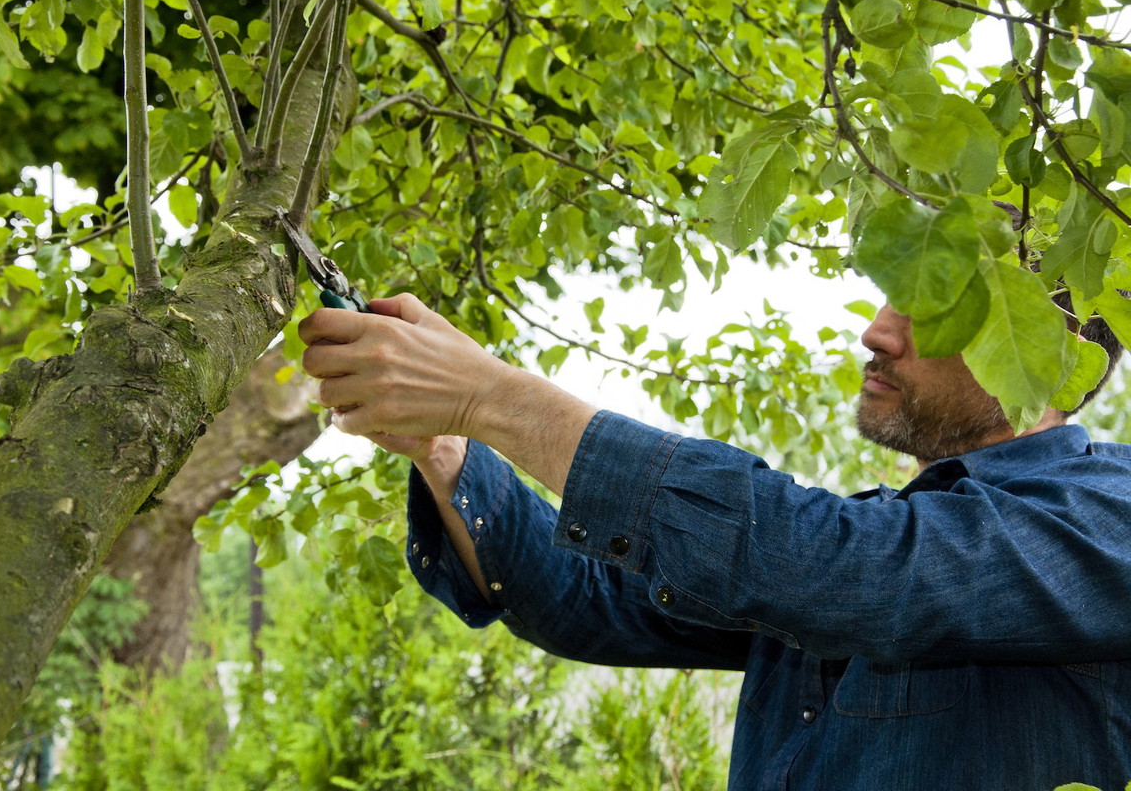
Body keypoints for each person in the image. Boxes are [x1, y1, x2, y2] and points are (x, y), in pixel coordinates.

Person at [300, 294, 1131, 790]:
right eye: (888, 299)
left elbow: (835, 569)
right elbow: (584, 598)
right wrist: (444, 444)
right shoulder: (874, 540)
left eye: (931, 311)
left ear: (1050, 360)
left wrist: (495, 399)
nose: (877, 333)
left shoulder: (1109, 514)